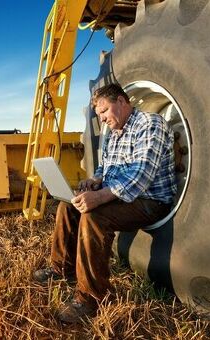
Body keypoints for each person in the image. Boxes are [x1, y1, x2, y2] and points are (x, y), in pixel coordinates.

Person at [33, 83, 177, 323]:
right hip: (121, 197)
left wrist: (99, 197)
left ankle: (91, 298)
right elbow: (106, 165)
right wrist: (95, 180)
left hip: (150, 200)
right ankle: (61, 269)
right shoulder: (114, 131)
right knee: (68, 206)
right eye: (98, 114)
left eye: (104, 111)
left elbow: (140, 175)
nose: (101, 119)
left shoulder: (150, 124)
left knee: (93, 216)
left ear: (122, 101)